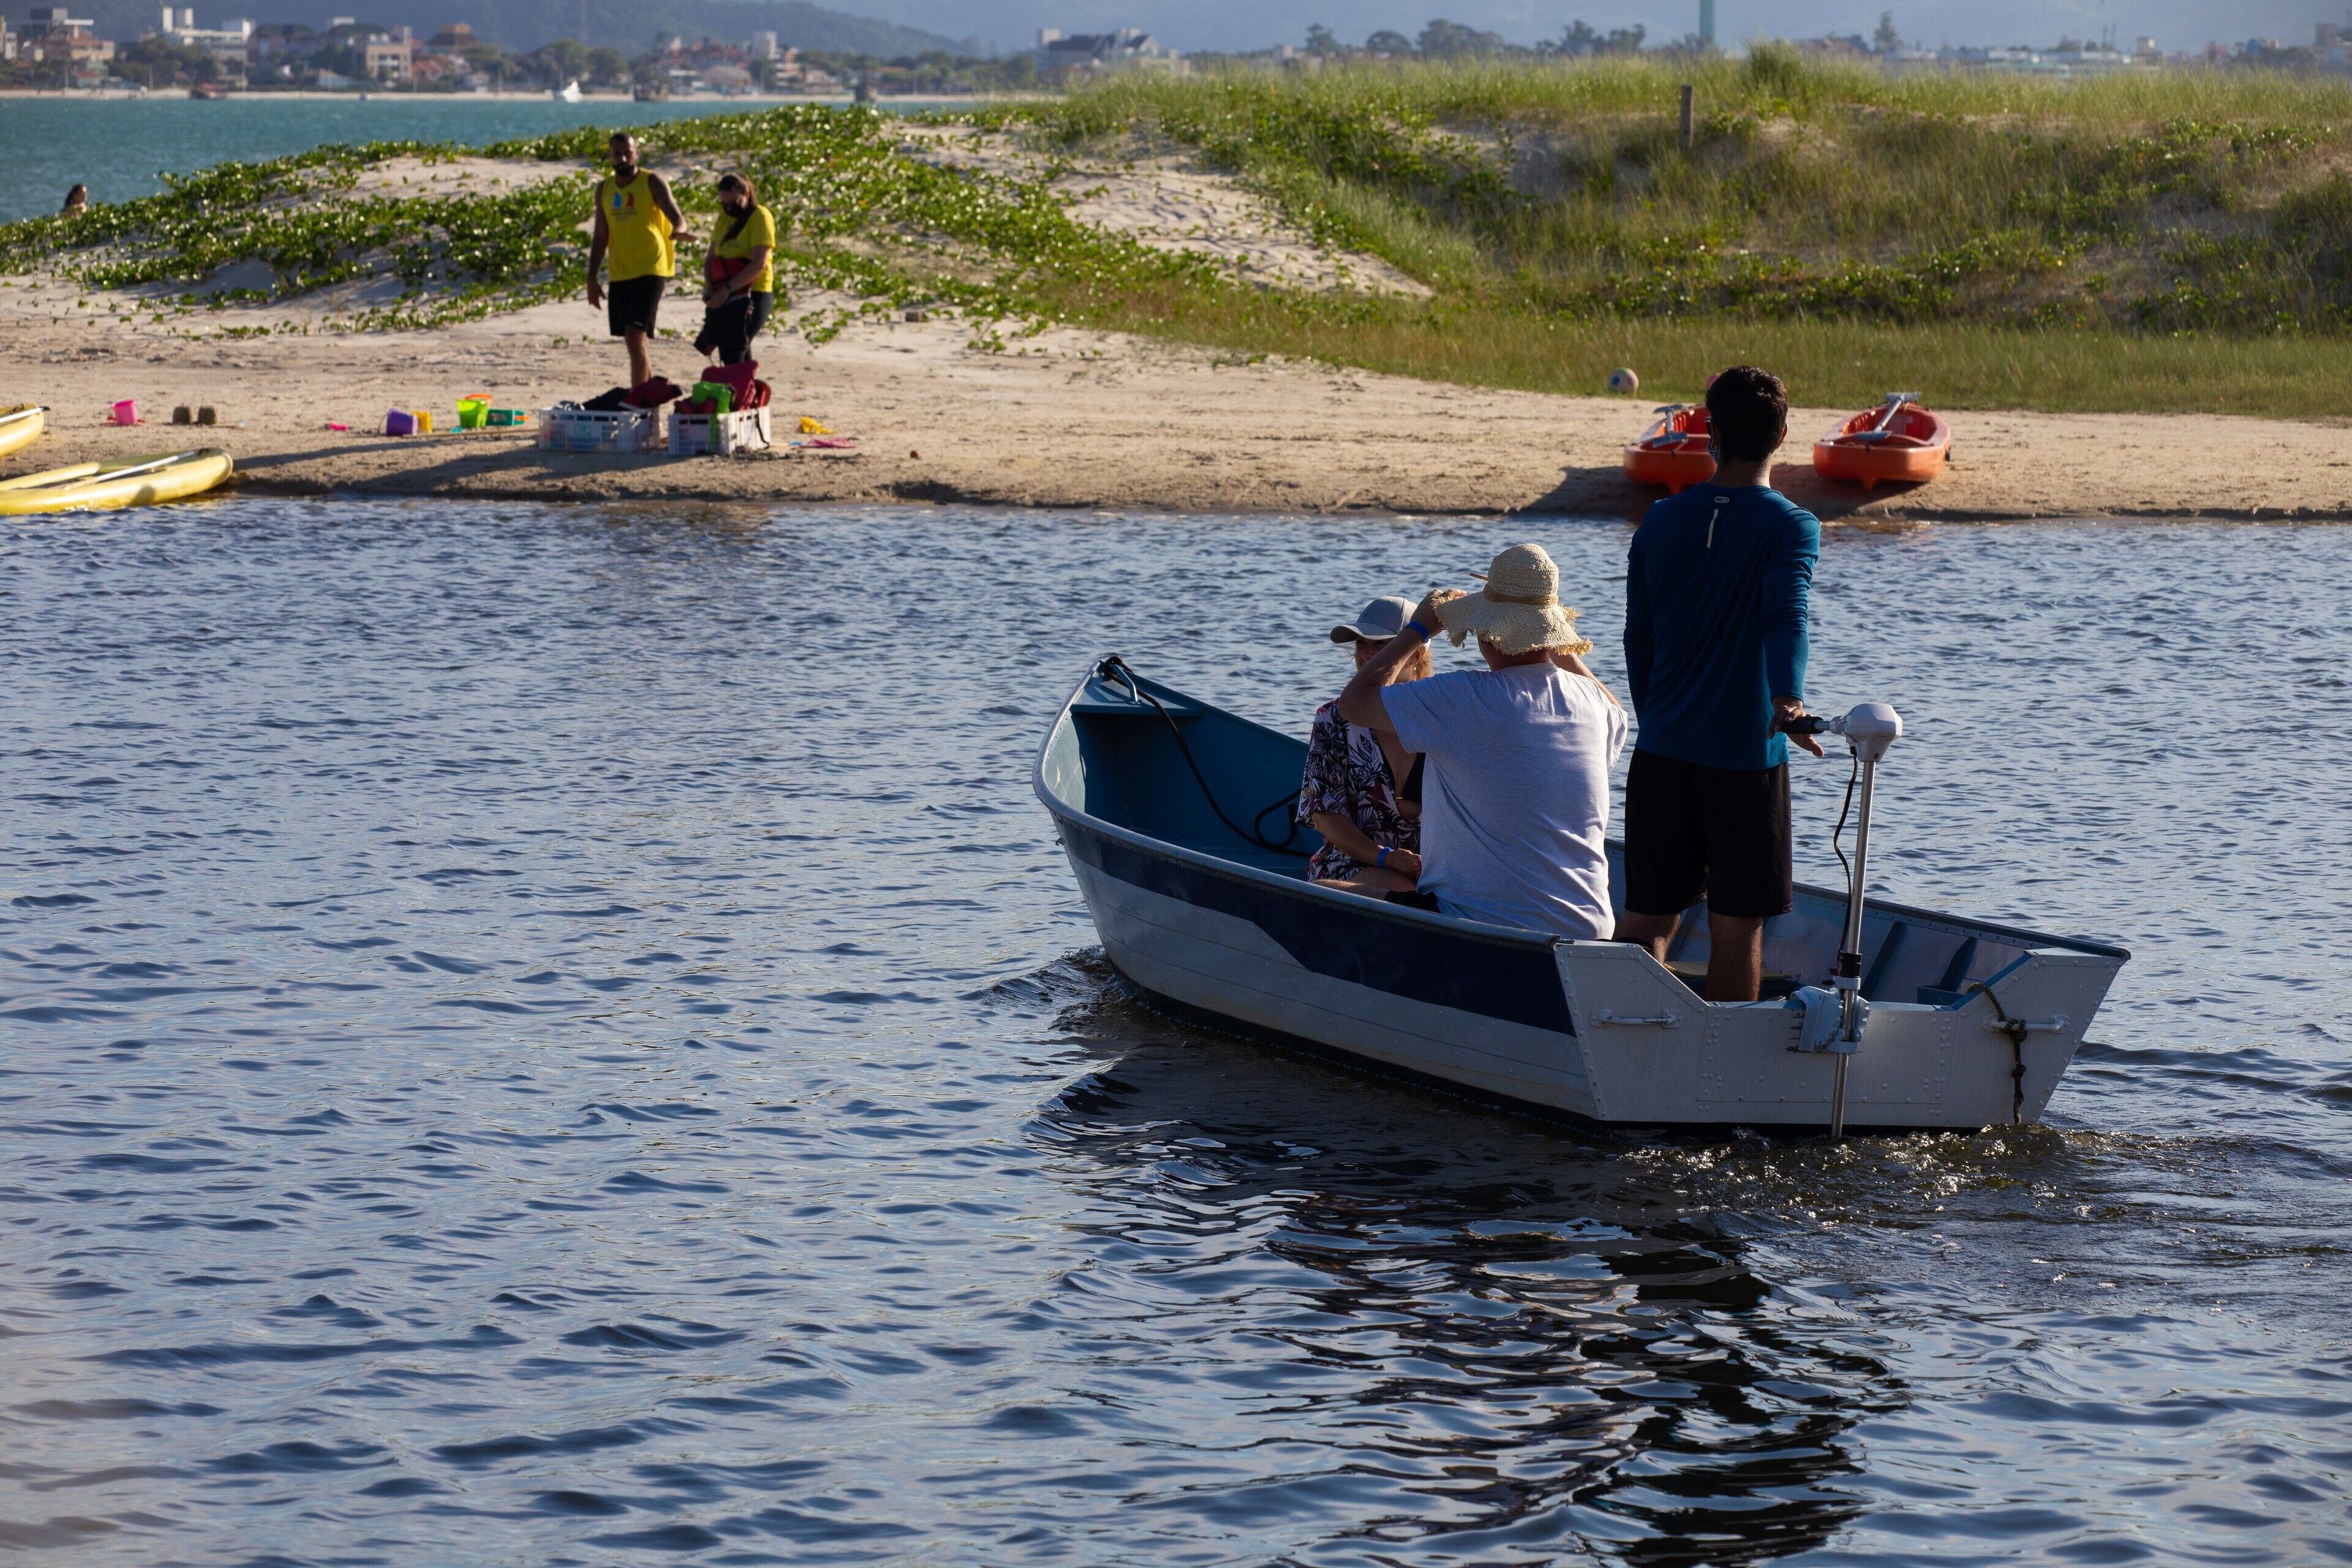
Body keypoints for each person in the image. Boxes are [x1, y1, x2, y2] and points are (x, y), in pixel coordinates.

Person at [1615, 365, 1824, 1001]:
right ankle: (1723, 1080)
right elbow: (1785, 615)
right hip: (1745, 762)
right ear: (1782, 436)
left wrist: (1660, 717)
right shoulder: (1791, 526)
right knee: (1737, 928)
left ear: (1709, 431)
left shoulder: (1659, 520)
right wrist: (1787, 698)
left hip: (1663, 754)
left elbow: (1637, 640)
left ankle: (1628, 1048)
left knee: (1648, 919)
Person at [1336, 543, 1627, 940]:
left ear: (1484, 634)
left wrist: (1416, 631)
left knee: (1319, 894)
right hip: (1590, 928)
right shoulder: (1594, 705)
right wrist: (1562, 649)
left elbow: (1353, 704)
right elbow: (1618, 714)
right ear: (1552, 633)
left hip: (1480, 923)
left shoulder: (1462, 698)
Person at [1298, 595, 1431, 897]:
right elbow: (1326, 817)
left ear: (1417, 654)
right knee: (1402, 891)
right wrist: (1386, 858)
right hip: (1351, 865)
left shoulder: (1443, 715)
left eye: (1382, 646)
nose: (1366, 654)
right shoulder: (1332, 719)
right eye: (1361, 644)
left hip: (1434, 871)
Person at [584, 133, 692, 390]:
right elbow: (601, 235)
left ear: (636, 153)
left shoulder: (652, 181)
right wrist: (591, 278)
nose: (621, 158)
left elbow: (677, 216)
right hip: (621, 271)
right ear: (609, 156)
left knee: (635, 335)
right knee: (635, 339)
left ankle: (638, 403)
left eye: (627, 153)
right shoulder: (605, 189)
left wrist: (679, 230)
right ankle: (650, 394)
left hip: (651, 267)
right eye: (616, 154)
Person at [693, 173, 777, 367]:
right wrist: (712, 290)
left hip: (753, 293)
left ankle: (738, 393)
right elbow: (710, 259)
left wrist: (727, 290)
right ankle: (743, 392)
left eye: (733, 203)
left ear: (746, 193)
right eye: (724, 204)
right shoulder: (725, 217)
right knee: (728, 349)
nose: (728, 208)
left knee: (736, 346)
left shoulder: (760, 217)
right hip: (724, 292)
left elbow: (758, 264)